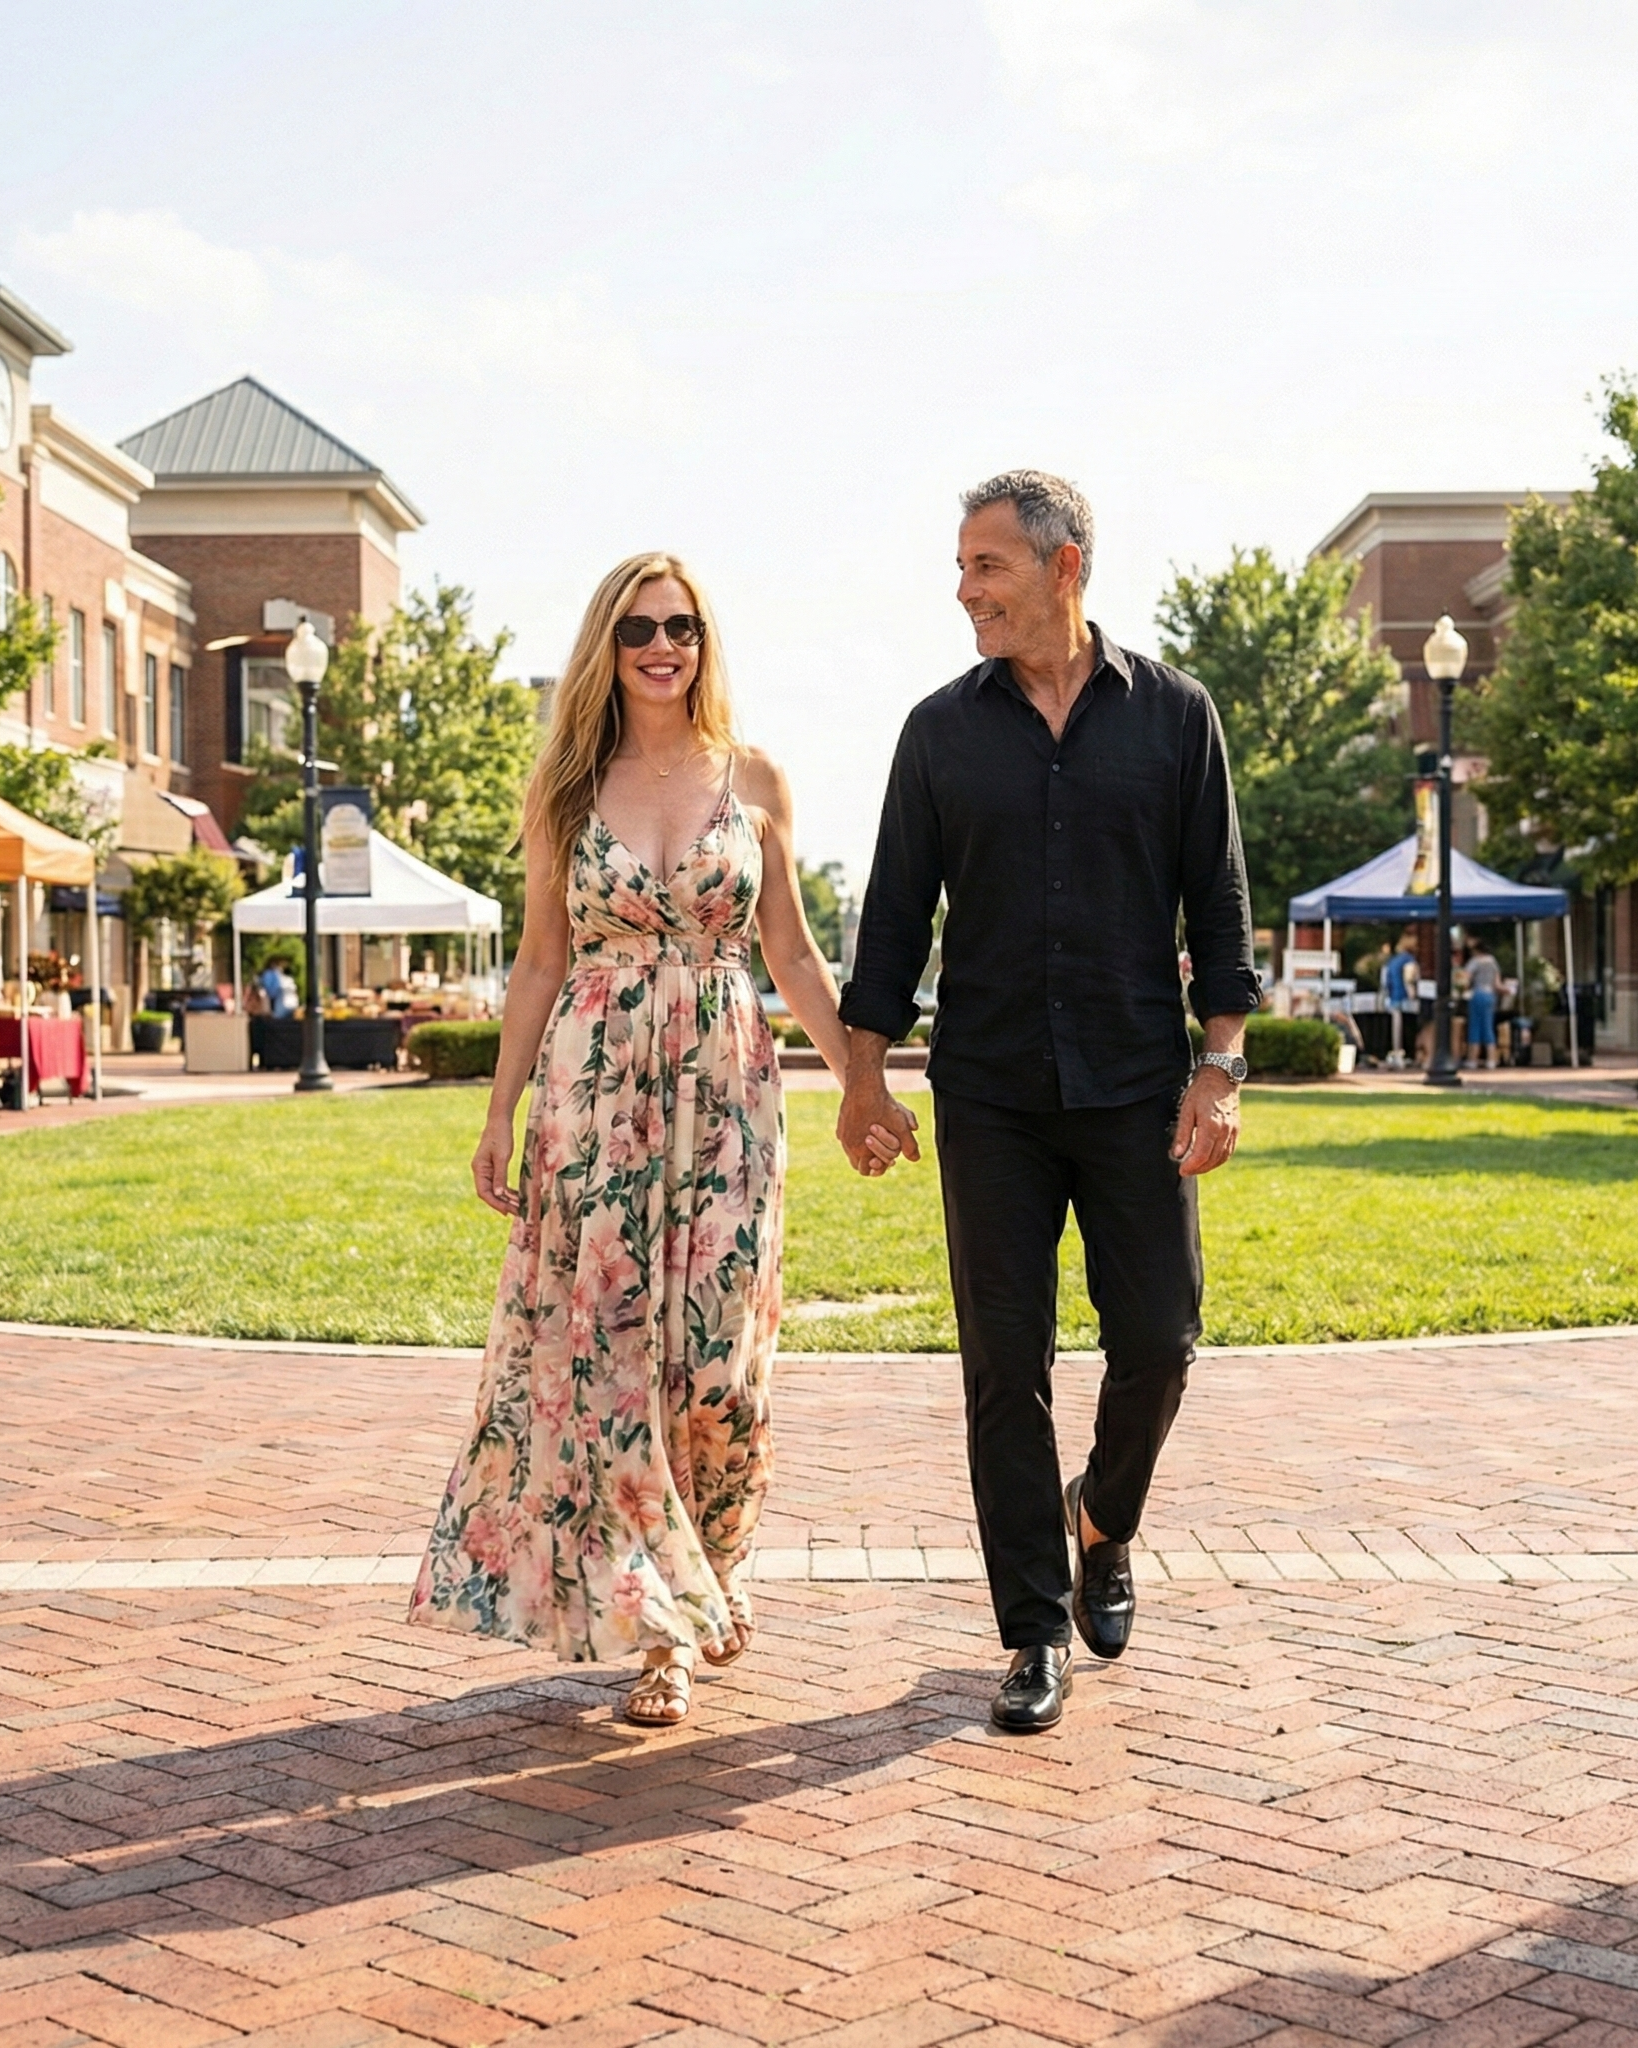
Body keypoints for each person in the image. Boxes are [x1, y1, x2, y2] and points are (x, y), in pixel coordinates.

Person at [408, 553, 892, 1727]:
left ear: (704, 639)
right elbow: (535, 962)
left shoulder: (758, 776)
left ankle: (713, 1562)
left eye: (681, 625)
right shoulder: (567, 789)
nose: (662, 645)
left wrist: (860, 1081)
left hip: (729, 1091)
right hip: (596, 1096)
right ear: (607, 646)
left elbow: (792, 952)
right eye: (638, 629)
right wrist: (498, 1110)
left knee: (721, 1362)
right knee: (617, 1358)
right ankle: (661, 1627)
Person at [838, 470, 1259, 1734]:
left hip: (1137, 1084)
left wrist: (1221, 1065)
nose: (963, 589)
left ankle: (1102, 1517)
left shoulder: (1176, 716)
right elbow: (896, 915)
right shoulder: (938, 731)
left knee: (1163, 1338)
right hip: (993, 1092)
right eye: (962, 567)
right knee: (1000, 1365)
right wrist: (863, 1077)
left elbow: (1221, 905)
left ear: (1063, 565)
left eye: (986, 567)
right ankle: (1030, 1630)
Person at [1383, 929, 1420, 1069]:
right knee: (1406, 1028)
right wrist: (1413, 993)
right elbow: (1409, 978)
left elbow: (1386, 980)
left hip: (1393, 997)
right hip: (1404, 998)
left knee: (1395, 1029)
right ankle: (1405, 1055)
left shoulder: (1393, 960)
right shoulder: (1408, 960)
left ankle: (1395, 1053)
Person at [1464, 939, 1501, 1069]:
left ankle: (1472, 1059)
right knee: (1488, 1026)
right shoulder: (1493, 962)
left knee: (1475, 1027)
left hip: (1477, 994)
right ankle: (1491, 1059)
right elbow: (1497, 984)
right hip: (1490, 995)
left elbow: (1465, 978)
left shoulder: (1474, 962)